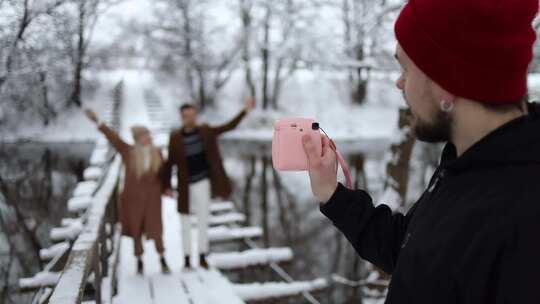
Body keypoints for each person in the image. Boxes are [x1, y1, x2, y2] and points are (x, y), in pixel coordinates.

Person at [302, 0, 540, 303]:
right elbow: (414, 253)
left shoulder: (525, 222)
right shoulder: (466, 162)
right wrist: (332, 194)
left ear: (448, 81)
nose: (398, 82)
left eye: (405, 68)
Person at [162, 97, 256, 269]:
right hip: (184, 186)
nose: (190, 119)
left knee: (203, 219)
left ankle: (202, 255)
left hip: (202, 183)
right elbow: (169, 163)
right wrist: (166, 185)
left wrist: (245, 111)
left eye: (192, 115)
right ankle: (187, 258)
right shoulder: (175, 138)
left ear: (196, 116)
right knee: (184, 221)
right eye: (186, 116)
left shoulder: (205, 131)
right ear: (181, 117)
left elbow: (229, 126)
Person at [84, 109, 170, 275]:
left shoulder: (157, 152)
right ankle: (139, 260)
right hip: (133, 199)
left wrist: (167, 188)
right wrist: (98, 121)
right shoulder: (128, 152)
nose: (149, 137)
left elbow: (165, 173)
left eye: (149, 134)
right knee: (136, 229)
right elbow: (113, 137)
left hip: (153, 198)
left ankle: (162, 258)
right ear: (138, 138)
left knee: (156, 228)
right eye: (145, 135)